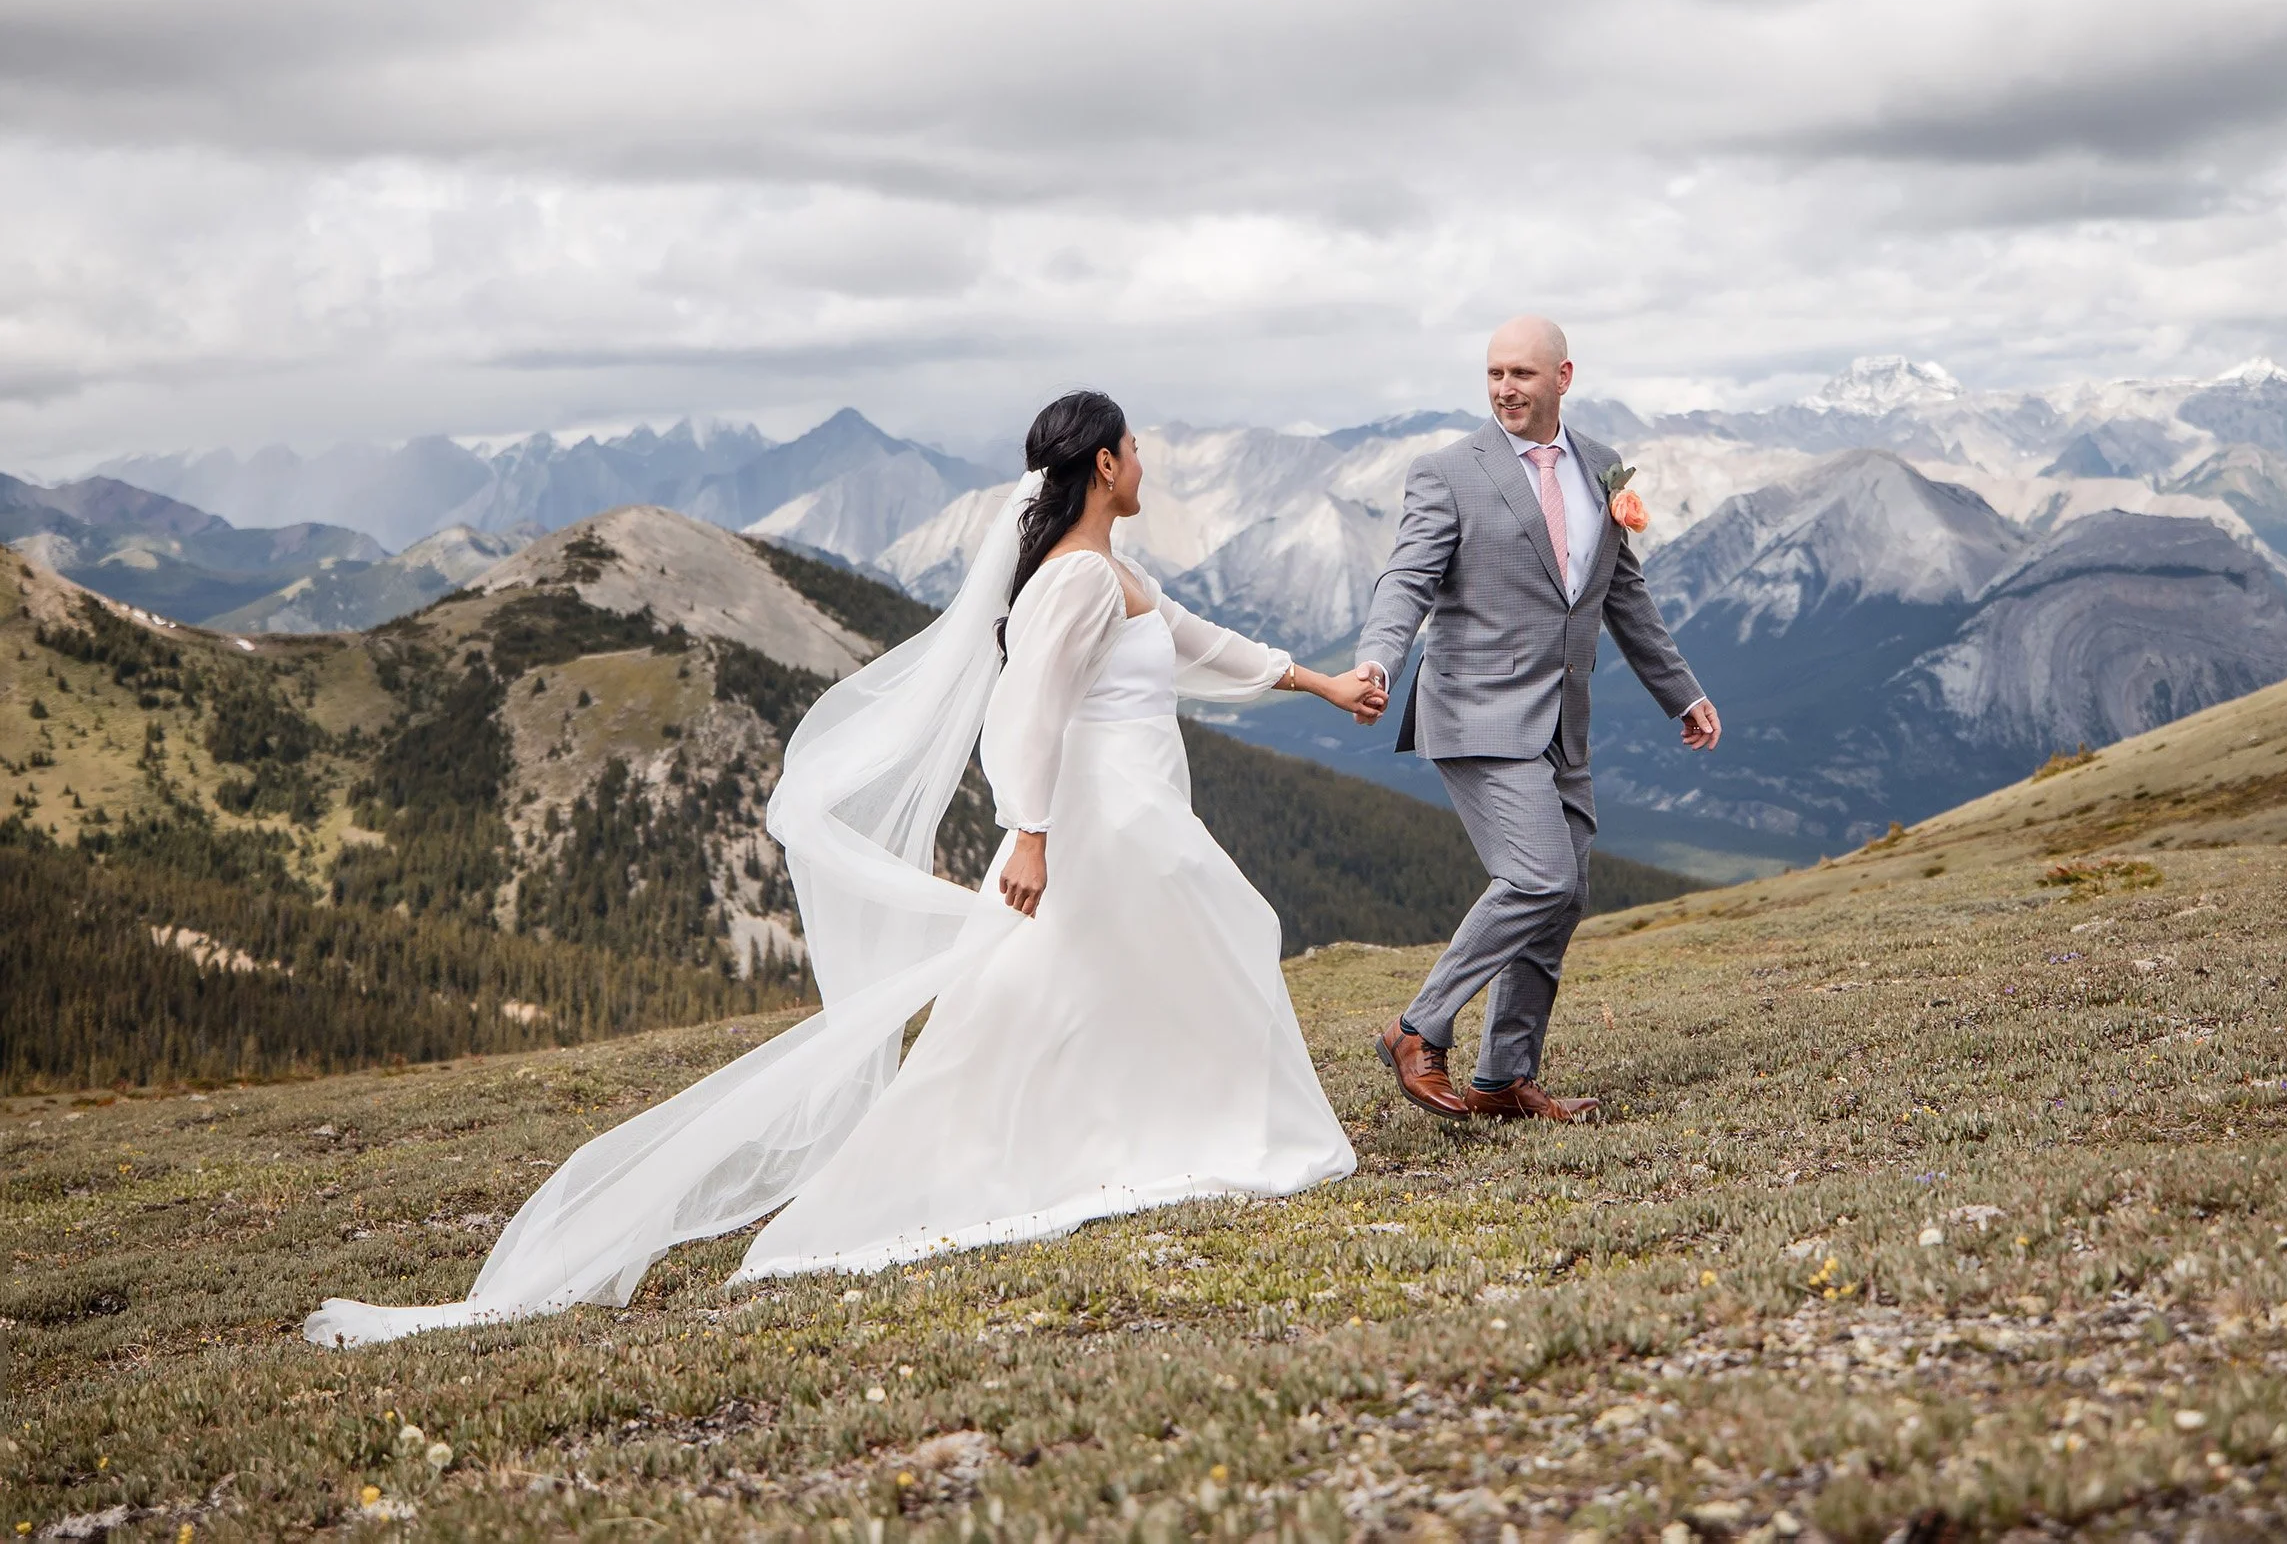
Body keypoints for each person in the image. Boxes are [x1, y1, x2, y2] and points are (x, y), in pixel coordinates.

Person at [304, 390, 1384, 1347]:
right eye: (1135, 449)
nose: (1145, 465)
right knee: (1188, 947)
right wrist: (1035, 832)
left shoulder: (1113, 571)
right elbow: (1028, 710)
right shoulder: (1072, 583)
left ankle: (1154, 1129)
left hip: (1133, 811)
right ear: (1103, 464)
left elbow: (1198, 641)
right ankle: (1133, 1142)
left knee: (1100, 982)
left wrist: (1321, 681)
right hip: (1101, 821)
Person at [1357, 316, 1719, 1125]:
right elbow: (1405, 579)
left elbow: (1621, 593)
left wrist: (1681, 691)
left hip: (1565, 722)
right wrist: (1377, 659)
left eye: (1521, 373)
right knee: (1538, 877)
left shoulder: (1598, 467)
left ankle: (1503, 1078)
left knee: (1565, 894)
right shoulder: (1447, 471)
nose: (1504, 389)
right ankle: (1417, 1028)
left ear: (1563, 375)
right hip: (1477, 712)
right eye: (1493, 374)